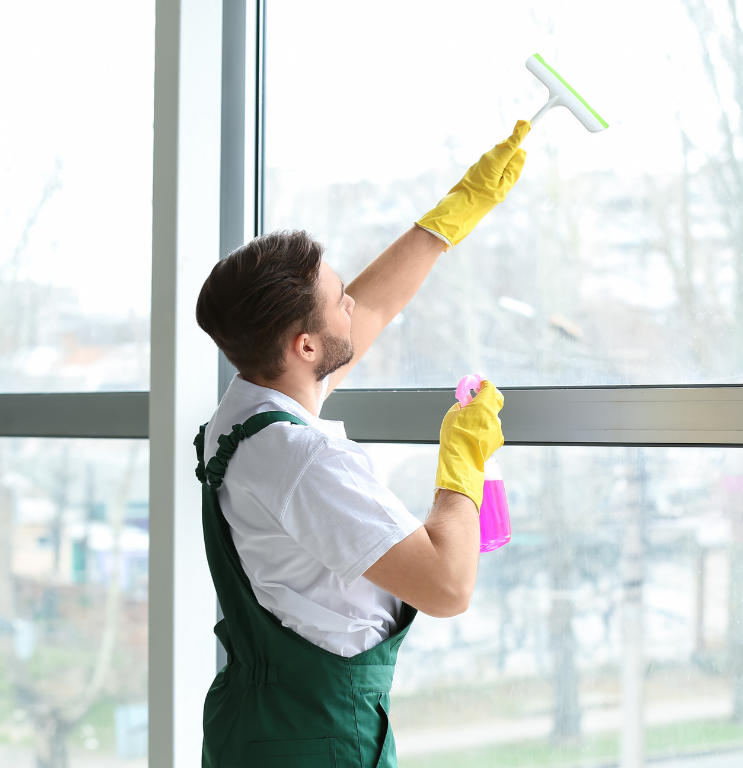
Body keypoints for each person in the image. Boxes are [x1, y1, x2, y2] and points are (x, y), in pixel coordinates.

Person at [192, 121, 531, 767]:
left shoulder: (242, 417)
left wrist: (449, 218)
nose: (352, 304)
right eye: (336, 300)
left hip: (258, 720)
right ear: (306, 347)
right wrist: (463, 460)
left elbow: (370, 312)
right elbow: (447, 586)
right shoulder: (303, 460)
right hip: (316, 737)